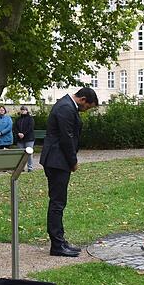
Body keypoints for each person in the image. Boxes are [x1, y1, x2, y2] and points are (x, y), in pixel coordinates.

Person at [40, 87, 98, 257]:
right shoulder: (66, 107)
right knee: (57, 203)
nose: (86, 110)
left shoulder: (66, 105)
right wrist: (73, 161)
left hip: (57, 160)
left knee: (59, 202)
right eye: (88, 107)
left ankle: (60, 240)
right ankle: (57, 244)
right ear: (83, 99)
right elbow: (67, 137)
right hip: (57, 160)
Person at [13, 106, 35, 172]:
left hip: (29, 138)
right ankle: (21, 167)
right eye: (22, 110)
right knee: (21, 154)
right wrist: (18, 133)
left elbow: (30, 128)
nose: (23, 111)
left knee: (29, 153)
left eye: (24, 110)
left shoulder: (30, 119)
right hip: (20, 139)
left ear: (26, 110)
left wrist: (23, 134)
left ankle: (30, 167)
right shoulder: (18, 119)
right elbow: (15, 127)